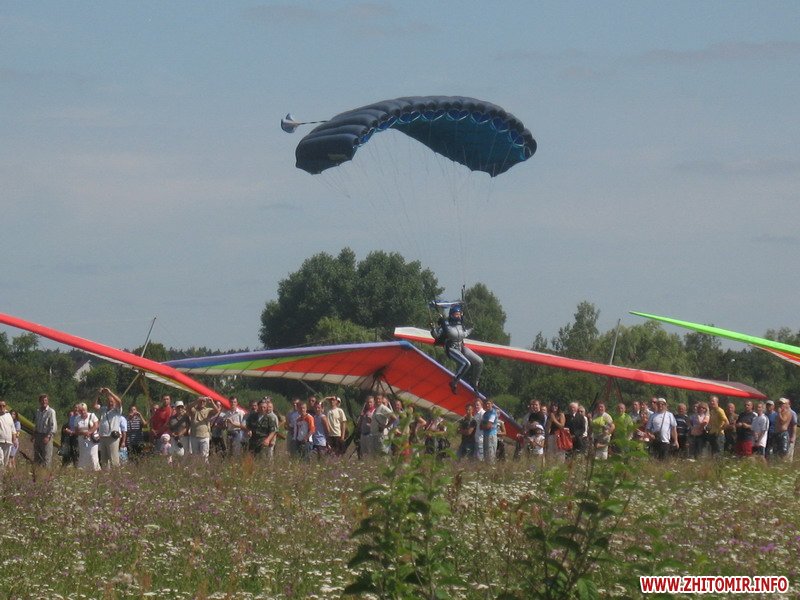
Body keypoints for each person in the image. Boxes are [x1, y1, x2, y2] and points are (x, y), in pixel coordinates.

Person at [430, 303, 483, 393]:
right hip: (451, 349)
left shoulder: (461, 325)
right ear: (452, 315)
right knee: (466, 363)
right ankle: (454, 382)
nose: (458, 316)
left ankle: (475, 383)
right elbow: (436, 336)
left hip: (461, 347)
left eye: (459, 314)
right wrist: (433, 328)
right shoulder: (446, 326)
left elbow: (464, 334)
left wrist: (472, 328)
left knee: (479, 361)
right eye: (456, 314)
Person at [95, 388, 123, 469]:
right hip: (103, 436)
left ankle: (116, 476)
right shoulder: (104, 409)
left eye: (112, 402)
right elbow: (94, 406)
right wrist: (97, 394)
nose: (110, 403)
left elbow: (120, 402)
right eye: (109, 401)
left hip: (112, 437)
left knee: (114, 460)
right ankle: (106, 476)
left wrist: (110, 392)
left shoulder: (117, 410)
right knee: (104, 460)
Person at [74, 403, 100, 471]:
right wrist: (83, 433)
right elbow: (76, 431)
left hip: (92, 440)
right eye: (81, 410)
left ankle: (96, 470)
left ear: (86, 409)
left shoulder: (92, 415)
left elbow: (96, 425)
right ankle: (83, 471)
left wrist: (89, 432)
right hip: (82, 440)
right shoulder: (77, 418)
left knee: (93, 455)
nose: (83, 412)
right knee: (83, 456)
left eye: (84, 410)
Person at [33, 393, 57, 468]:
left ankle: (46, 475)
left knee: (46, 456)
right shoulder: (38, 411)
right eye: (42, 401)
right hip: (38, 435)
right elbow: (36, 424)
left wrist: (48, 436)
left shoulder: (51, 411)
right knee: (37, 456)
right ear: (39, 401)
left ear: (48, 401)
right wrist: (34, 435)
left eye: (45, 400)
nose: (44, 402)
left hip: (46, 435)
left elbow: (53, 426)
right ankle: (37, 473)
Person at [480, 398, 499, 463]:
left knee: (491, 454)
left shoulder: (493, 413)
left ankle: (491, 470)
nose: (487, 405)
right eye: (486, 404)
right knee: (485, 454)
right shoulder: (485, 414)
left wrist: (484, 425)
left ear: (492, 404)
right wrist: (484, 425)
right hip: (485, 435)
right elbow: (481, 426)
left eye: (489, 403)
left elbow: (489, 426)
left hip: (491, 435)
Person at [0, 400, 16, 467]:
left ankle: (2, 475)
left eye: (3, 406)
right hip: (0, 441)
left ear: (5, 406)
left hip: (8, 442)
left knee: (6, 461)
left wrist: (14, 440)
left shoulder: (9, 415)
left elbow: (13, 429)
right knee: (0, 459)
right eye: (0, 406)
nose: (2, 407)